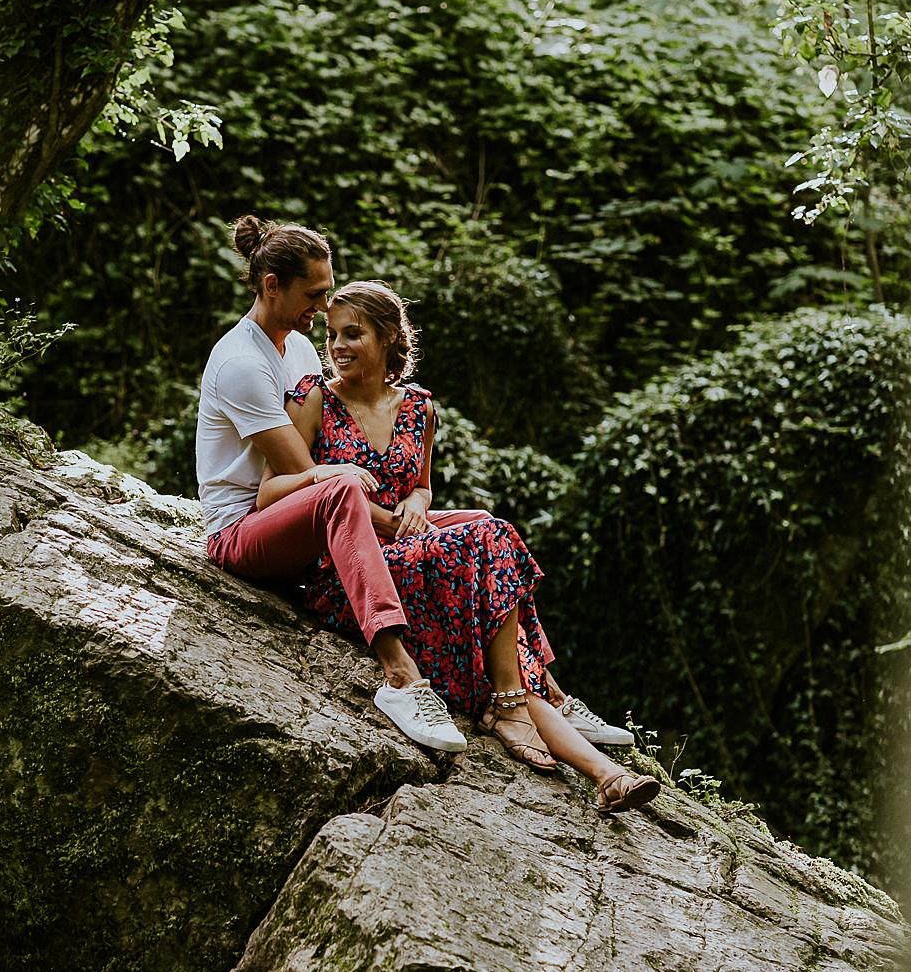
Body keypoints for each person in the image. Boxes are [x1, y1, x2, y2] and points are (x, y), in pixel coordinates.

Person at [258, 279, 659, 813]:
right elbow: (268, 495)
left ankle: (604, 773)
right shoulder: (314, 399)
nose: (337, 346)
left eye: (353, 334)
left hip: (418, 558)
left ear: (386, 338)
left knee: (492, 557)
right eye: (333, 334)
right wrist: (335, 476)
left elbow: (420, 484)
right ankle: (533, 701)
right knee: (485, 540)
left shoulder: (419, 407)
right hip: (353, 569)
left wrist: (420, 502)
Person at [197, 216, 467, 753]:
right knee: (342, 490)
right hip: (243, 531)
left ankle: (541, 694)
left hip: (313, 523)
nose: (323, 309)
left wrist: (416, 510)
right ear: (271, 285)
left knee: (481, 528)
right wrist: (401, 523)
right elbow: (308, 481)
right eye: (314, 294)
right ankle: (400, 676)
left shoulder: (297, 348)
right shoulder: (241, 363)